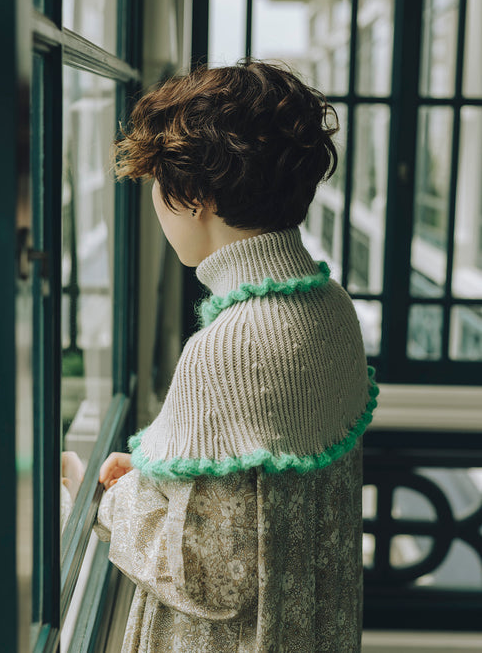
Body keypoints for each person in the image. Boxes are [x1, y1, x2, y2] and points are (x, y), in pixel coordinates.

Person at [95, 60, 379, 652]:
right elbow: (262, 501)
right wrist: (157, 479)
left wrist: (108, 499)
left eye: (157, 183)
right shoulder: (331, 307)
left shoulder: (231, 346)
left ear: (194, 194)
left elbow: (208, 575)